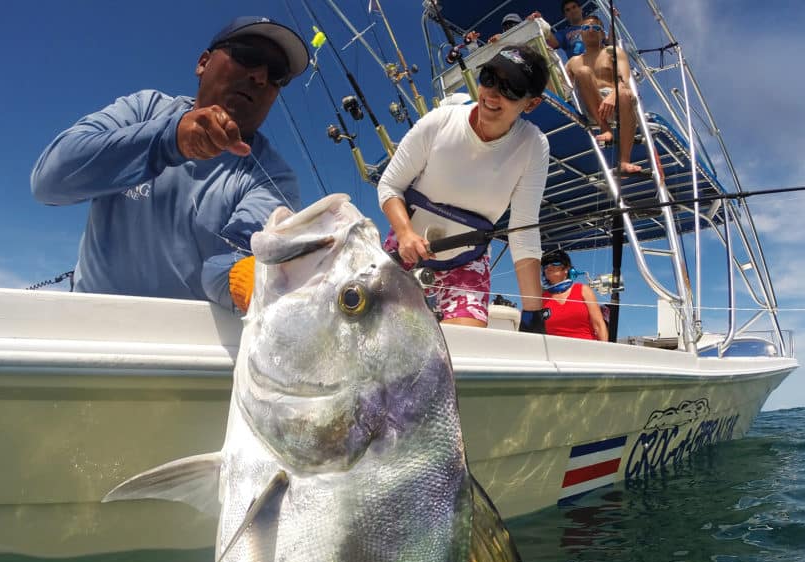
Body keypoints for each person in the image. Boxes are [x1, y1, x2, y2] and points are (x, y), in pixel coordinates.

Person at [30, 16, 309, 312]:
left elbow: (232, 263)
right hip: (86, 325)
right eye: (248, 56)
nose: (260, 77)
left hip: (185, 346)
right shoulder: (144, 109)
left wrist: (262, 280)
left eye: (277, 74)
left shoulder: (274, 178)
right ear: (203, 63)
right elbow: (50, 180)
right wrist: (168, 140)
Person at [378, 45, 551, 332]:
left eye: (511, 88)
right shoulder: (439, 121)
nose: (493, 93)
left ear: (531, 104)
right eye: (489, 78)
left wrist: (533, 312)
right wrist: (406, 234)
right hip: (404, 252)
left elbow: (523, 231)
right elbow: (390, 185)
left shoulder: (534, 146)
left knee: (466, 346)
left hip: (466, 266)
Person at [565, 14, 645, 175]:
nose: (591, 30)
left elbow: (626, 80)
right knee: (583, 71)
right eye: (586, 27)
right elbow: (561, 88)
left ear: (602, 33)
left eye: (596, 28)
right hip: (591, 106)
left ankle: (624, 161)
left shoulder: (613, 51)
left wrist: (614, 95)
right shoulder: (573, 61)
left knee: (624, 93)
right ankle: (604, 128)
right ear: (581, 33)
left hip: (618, 101)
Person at [540, 249, 608, 341]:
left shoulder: (583, 290)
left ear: (567, 269)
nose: (548, 266)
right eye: (545, 264)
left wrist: (604, 353)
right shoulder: (540, 299)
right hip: (554, 352)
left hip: (586, 350)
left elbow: (599, 325)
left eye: (554, 262)